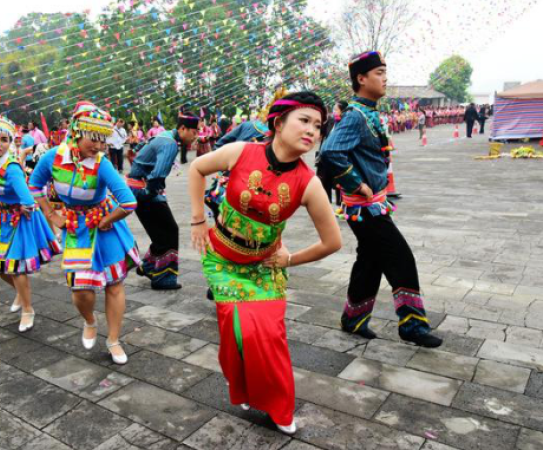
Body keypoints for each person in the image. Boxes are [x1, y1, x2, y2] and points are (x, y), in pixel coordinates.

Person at [189, 91, 342, 434]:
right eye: (304, 121)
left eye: (318, 125)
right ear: (278, 122)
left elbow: (333, 242)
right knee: (235, 333)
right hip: (223, 260)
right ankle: (244, 389)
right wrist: (198, 220)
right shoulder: (241, 152)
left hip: (264, 266)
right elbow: (197, 169)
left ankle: (278, 405)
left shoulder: (308, 183)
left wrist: (288, 259)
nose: (312, 131)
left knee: (268, 335)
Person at [319, 51, 442, 348]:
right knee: (399, 256)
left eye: (385, 72)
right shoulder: (355, 116)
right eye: (379, 72)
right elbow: (330, 152)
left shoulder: (368, 113)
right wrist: (355, 182)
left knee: (370, 260)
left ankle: (353, 319)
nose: (385, 78)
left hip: (373, 202)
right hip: (365, 206)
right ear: (361, 79)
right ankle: (411, 324)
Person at [29, 101, 139, 364]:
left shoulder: (102, 164)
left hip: (104, 228)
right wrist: (51, 215)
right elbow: (34, 185)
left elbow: (129, 202)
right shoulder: (53, 157)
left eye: (103, 141)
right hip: (75, 228)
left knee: (114, 285)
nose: (99, 146)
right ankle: (89, 321)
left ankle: (113, 339)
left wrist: (108, 220)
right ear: (78, 130)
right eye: (94, 138)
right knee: (81, 289)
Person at [0, 116, 61, 332]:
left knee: (16, 269)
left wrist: (17, 206)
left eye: (4, 139)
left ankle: (28, 309)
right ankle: (20, 292)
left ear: (10, 143)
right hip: (2, 220)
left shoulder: (12, 167)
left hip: (18, 220)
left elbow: (26, 198)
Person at [126, 112, 199, 290]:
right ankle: (163, 278)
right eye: (194, 132)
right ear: (182, 128)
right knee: (169, 230)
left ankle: (149, 266)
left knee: (162, 231)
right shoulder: (169, 144)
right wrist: (149, 195)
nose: (196, 136)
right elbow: (157, 174)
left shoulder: (165, 136)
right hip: (145, 190)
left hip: (139, 188)